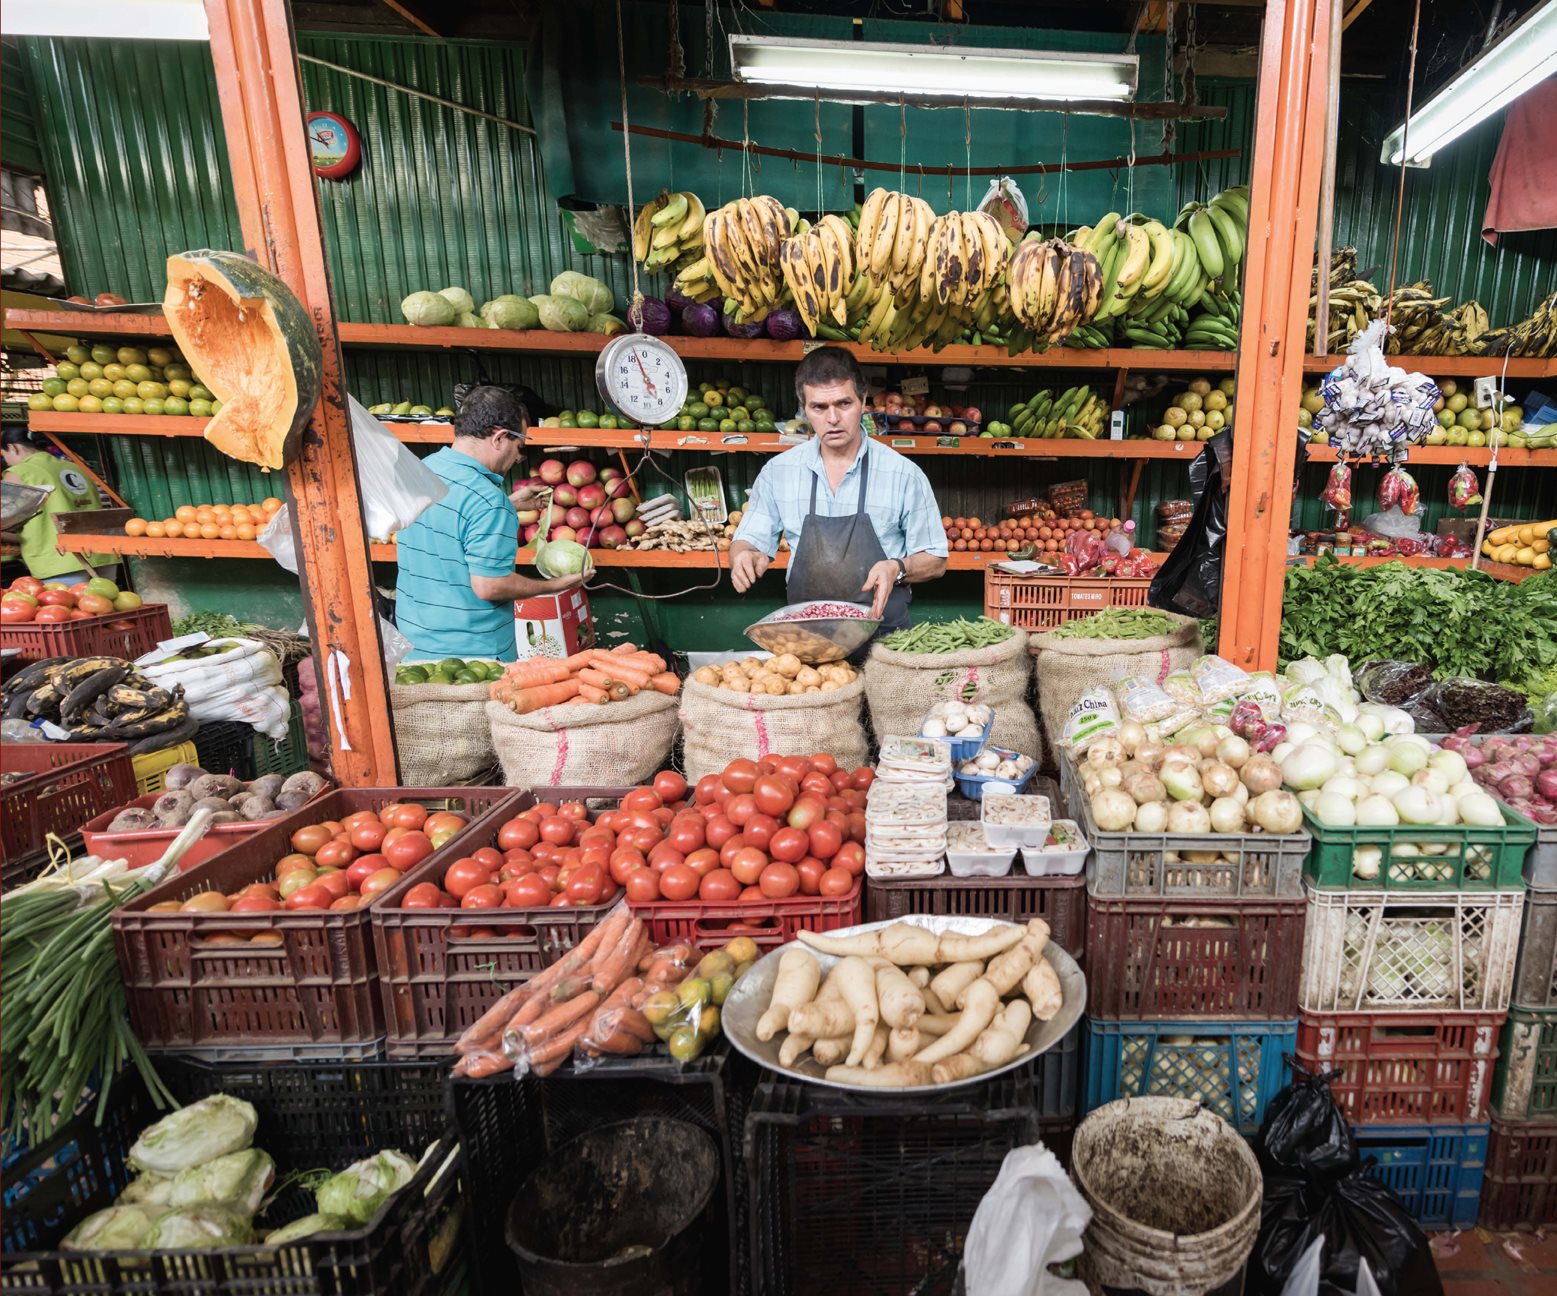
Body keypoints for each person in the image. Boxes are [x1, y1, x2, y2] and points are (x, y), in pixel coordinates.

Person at [729, 346, 947, 632]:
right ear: (804, 408)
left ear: (863, 400)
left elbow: (936, 559)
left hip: (883, 641)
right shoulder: (778, 473)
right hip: (808, 643)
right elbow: (746, 542)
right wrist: (744, 556)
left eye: (844, 404)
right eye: (818, 407)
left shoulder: (904, 474)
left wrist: (897, 567)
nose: (832, 419)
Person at [394, 386, 586, 662]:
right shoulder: (487, 502)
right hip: (475, 661)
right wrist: (554, 586)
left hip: (416, 649)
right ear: (499, 438)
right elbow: (490, 586)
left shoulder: (423, 471)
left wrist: (508, 503)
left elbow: (451, 525)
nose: (518, 458)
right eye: (519, 448)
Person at [1, 425, 119, 585]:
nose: (6, 462)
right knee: (111, 605)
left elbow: (6, 519)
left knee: (73, 608)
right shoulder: (76, 467)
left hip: (59, 558)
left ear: (12, 447)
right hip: (101, 553)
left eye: (3, 455)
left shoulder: (20, 472)